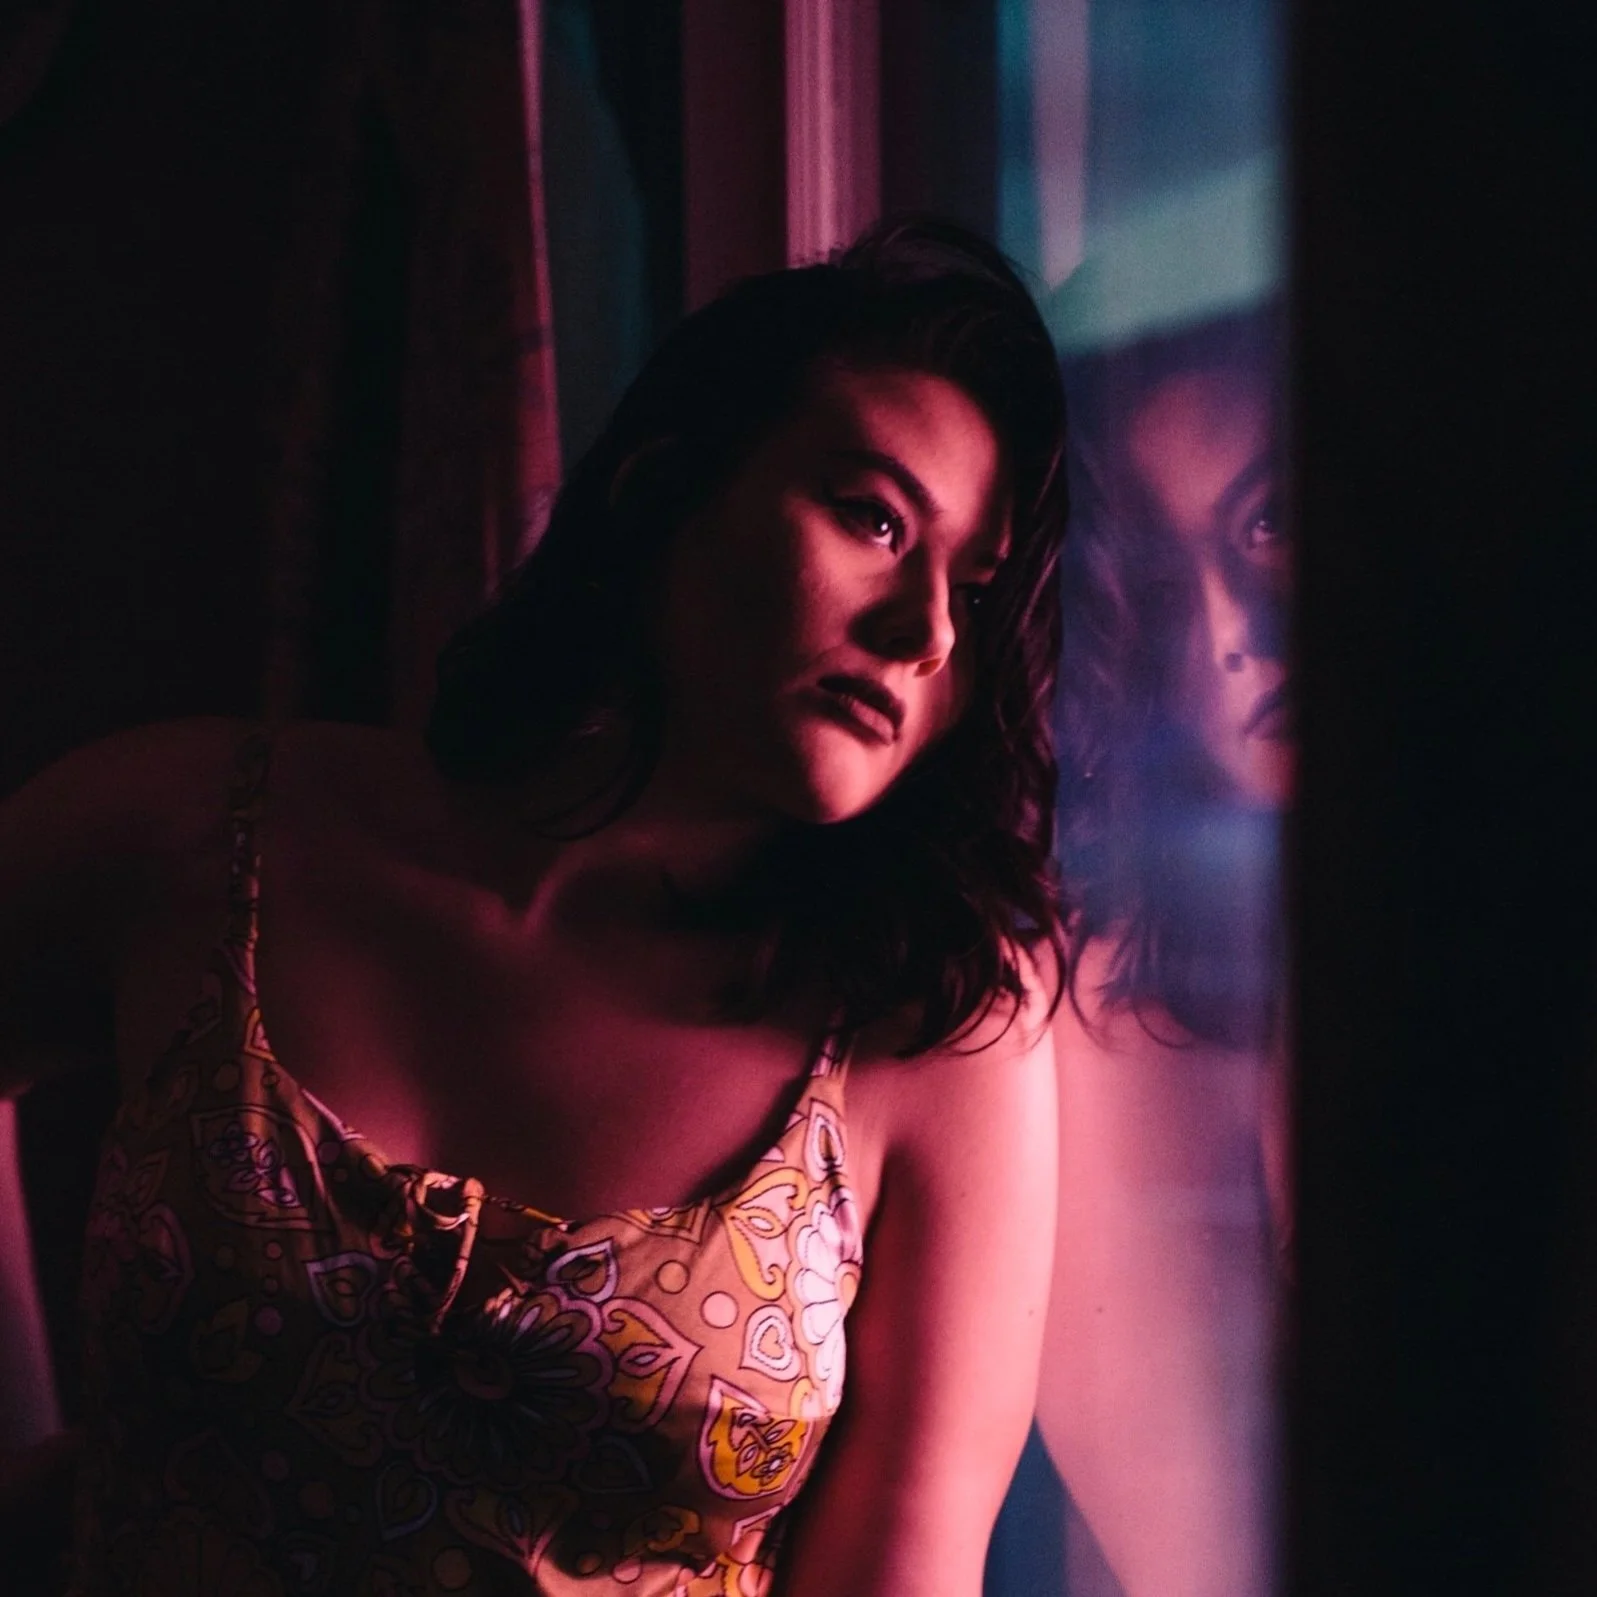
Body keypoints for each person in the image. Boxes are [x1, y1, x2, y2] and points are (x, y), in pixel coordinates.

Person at [0, 219, 1070, 1596]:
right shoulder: (193, 830)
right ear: (663, 484)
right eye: (873, 519)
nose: (924, 631)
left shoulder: (930, 1024)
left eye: (976, 593)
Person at [1032, 306, 1290, 1597]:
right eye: (1163, 586)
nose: (1236, 624)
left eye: (1273, 522)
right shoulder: (1124, 999)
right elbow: (1216, 1558)